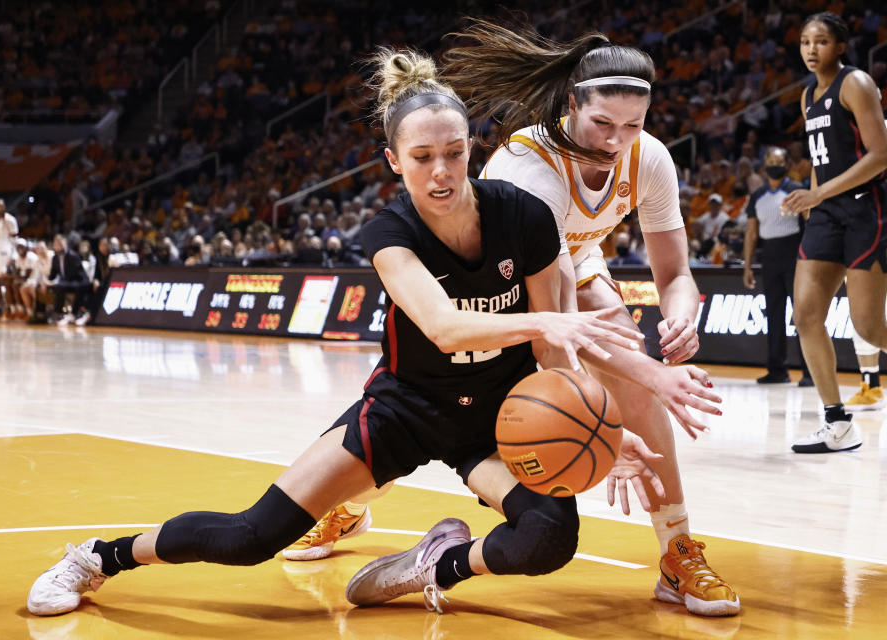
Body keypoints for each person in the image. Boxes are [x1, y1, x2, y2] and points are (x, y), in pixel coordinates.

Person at [27, 48, 712, 619]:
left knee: (547, 540)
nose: (440, 172)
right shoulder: (389, 232)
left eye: (453, 152)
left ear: (473, 148)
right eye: (421, 158)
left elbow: (550, 352)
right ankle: (96, 556)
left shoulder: (523, 216)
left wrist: (602, 430)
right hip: (405, 411)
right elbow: (443, 327)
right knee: (250, 536)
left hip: (498, 421)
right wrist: (549, 317)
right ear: (393, 161)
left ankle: (436, 564)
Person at [289, 21, 739, 618]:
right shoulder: (529, 173)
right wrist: (652, 374)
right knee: (439, 411)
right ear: (572, 105)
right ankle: (349, 503)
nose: (615, 141)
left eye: (632, 126)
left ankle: (677, 552)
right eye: (602, 124)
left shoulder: (647, 158)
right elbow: (552, 322)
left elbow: (675, 274)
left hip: (573, 262)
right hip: (500, 290)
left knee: (633, 373)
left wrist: (680, 322)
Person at [783, 12, 887, 454]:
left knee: (869, 326)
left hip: (866, 209)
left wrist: (819, 192)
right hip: (826, 213)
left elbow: (880, 155)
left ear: (839, 46)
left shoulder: (856, 83)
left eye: (821, 41)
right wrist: (811, 200)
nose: (811, 49)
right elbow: (820, 160)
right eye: (806, 41)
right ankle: (837, 422)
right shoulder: (807, 96)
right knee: (806, 314)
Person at [742, 146, 811, 386]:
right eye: (770, 160)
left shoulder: (797, 190)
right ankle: (777, 370)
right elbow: (751, 234)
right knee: (773, 314)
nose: (775, 164)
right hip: (769, 256)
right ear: (764, 164)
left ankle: (810, 372)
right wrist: (747, 266)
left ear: (787, 164)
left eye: (779, 160)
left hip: (795, 254)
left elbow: (810, 224)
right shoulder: (757, 196)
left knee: (802, 314)